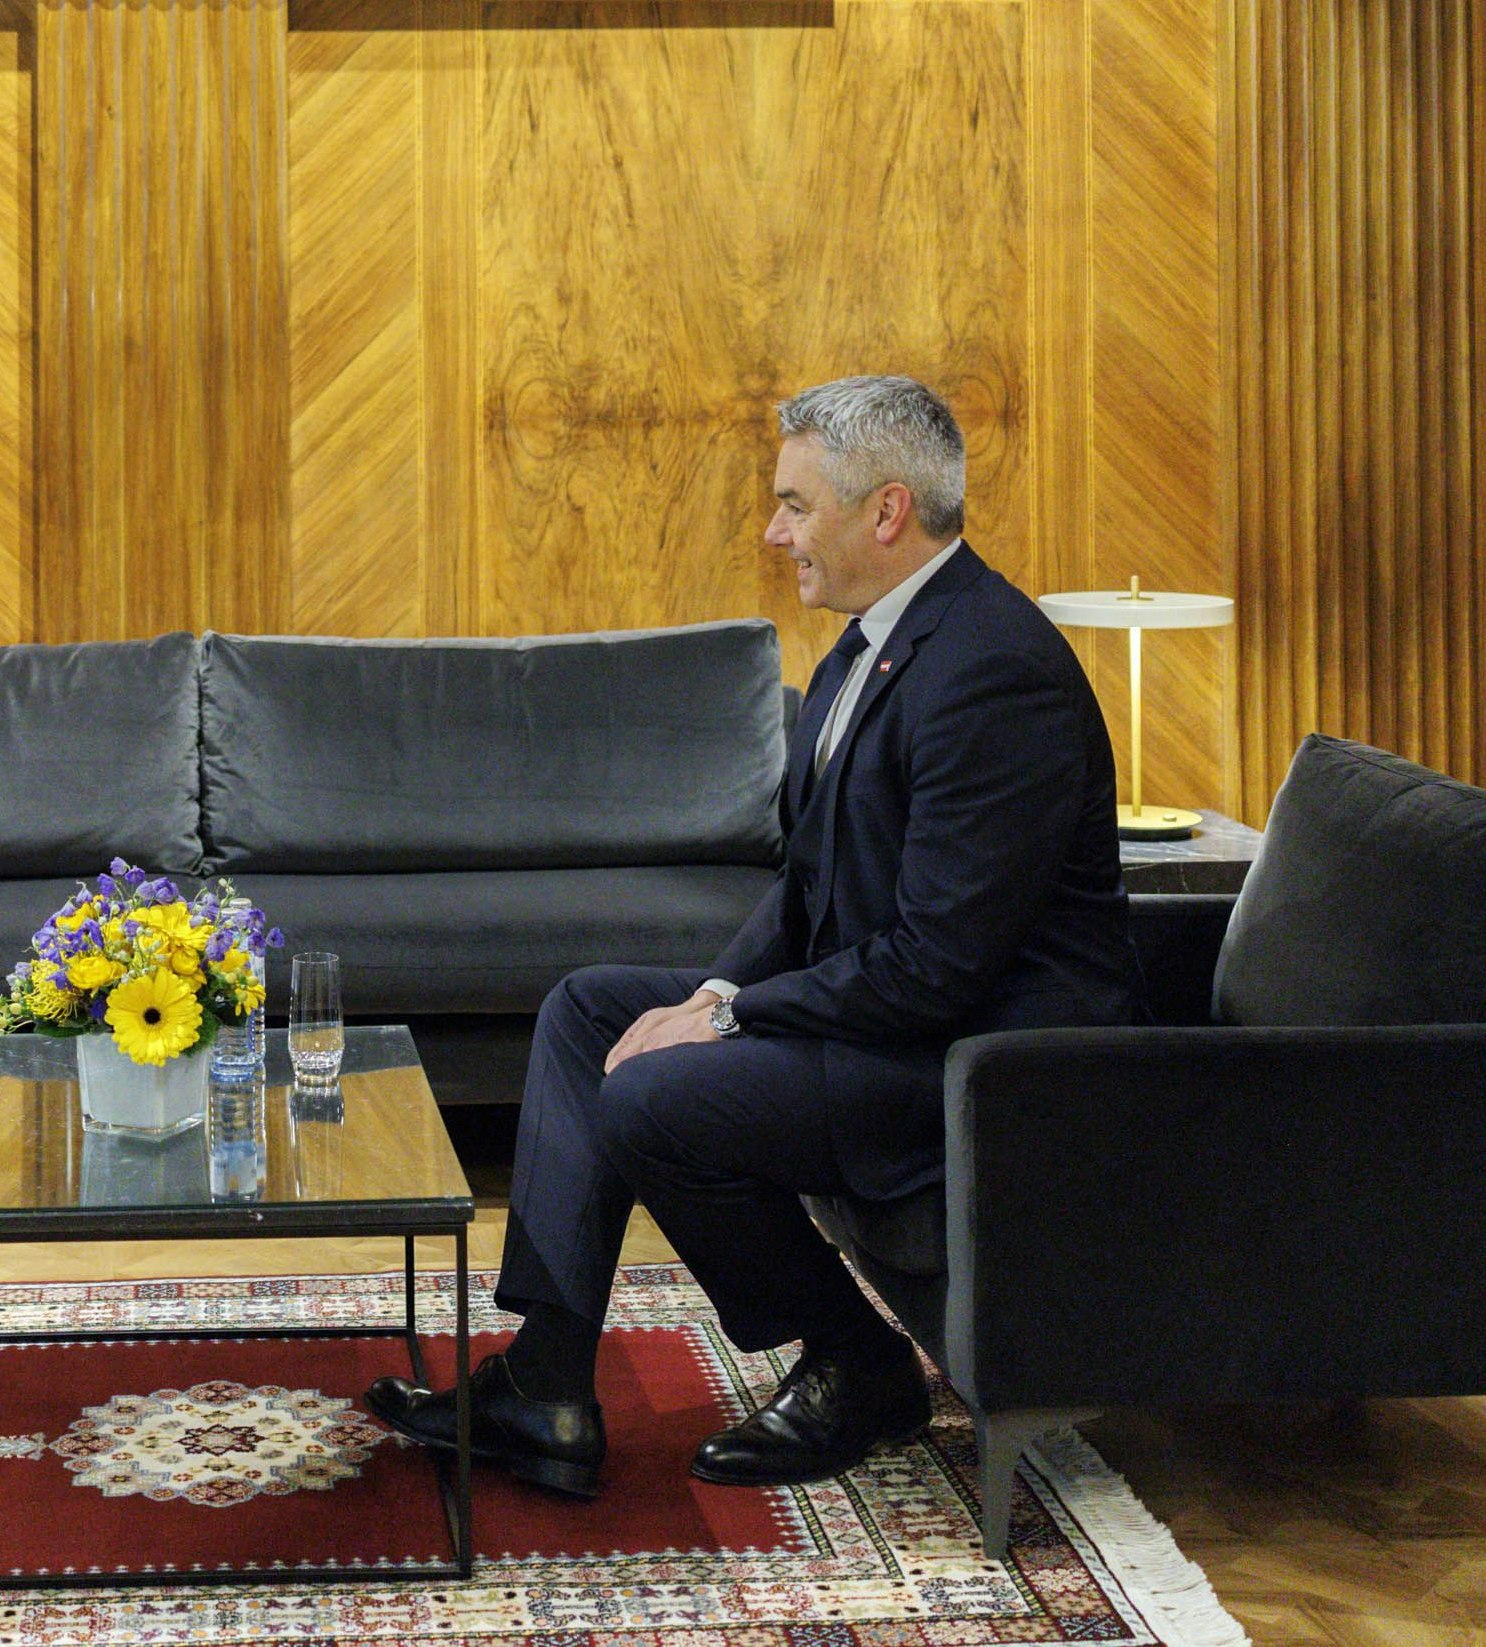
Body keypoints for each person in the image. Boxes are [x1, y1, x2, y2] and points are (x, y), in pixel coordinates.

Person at [370, 375, 1142, 1496]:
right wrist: (705, 998)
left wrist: (728, 1014)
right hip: (901, 1025)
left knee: (655, 1096)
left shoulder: (994, 672)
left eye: (793, 503)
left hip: (985, 1065)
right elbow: (806, 890)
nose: (774, 530)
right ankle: (544, 1385)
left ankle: (856, 1361)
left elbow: (940, 965)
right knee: (594, 1010)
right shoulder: (867, 644)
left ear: (884, 513)